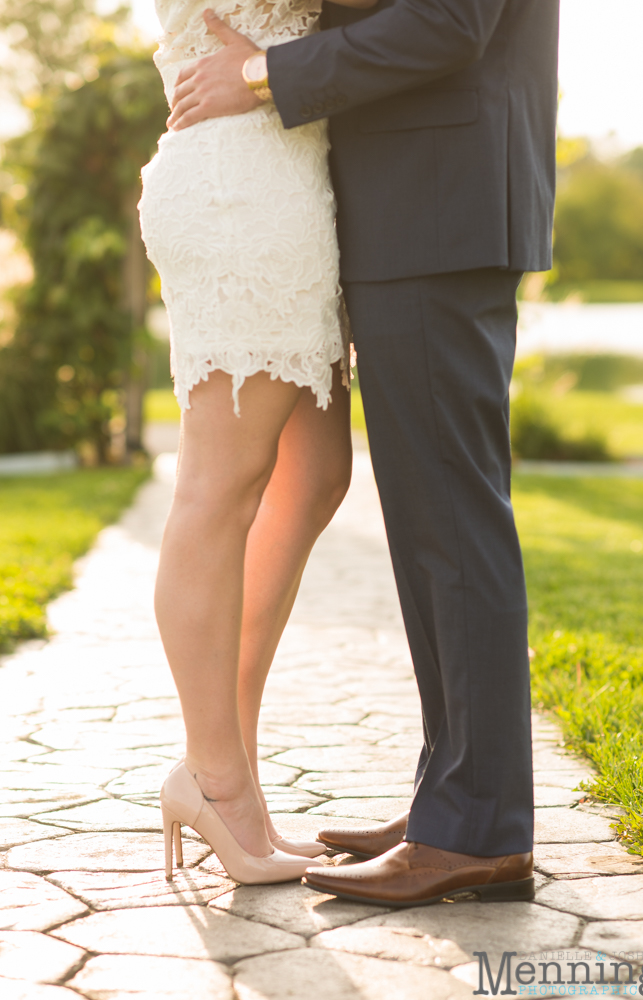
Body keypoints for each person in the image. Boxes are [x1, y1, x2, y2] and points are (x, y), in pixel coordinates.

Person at [167, 0, 560, 905]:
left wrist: (263, 73)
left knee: (453, 521)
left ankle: (477, 829)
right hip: (416, 199)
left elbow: (451, 21)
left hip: (438, 200)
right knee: (434, 521)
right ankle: (455, 801)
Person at [138, 0, 376, 885]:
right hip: (242, 186)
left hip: (284, 167)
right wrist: (255, 72)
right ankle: (215, 779)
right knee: (220, 484)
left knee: (315, 474)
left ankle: (229, 765)